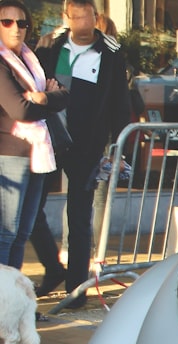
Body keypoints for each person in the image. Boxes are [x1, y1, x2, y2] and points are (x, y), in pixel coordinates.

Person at [28, 0, 130, 308]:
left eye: (85, 18)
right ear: (66, 17)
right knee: (31, 209)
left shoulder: (110, 53)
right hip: (51, 138)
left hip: (87, 145)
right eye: (74, 18)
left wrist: (120, 147)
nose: (80, 24)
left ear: (96, 18)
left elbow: (119, 102)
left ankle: (76, 290)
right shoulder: (51, 47)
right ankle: (52, 266)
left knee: (80, 216)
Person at [0, 0, 66, 268]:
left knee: (22, 235)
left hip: (37, 154)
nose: (16, 28)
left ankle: (13, 299)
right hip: (10, 154)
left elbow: (64, 94)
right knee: (7, 234)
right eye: (7, 22)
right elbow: (20, 110)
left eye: (22, 22)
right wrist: (46, 99)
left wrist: (43, 98)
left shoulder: (31, 60)